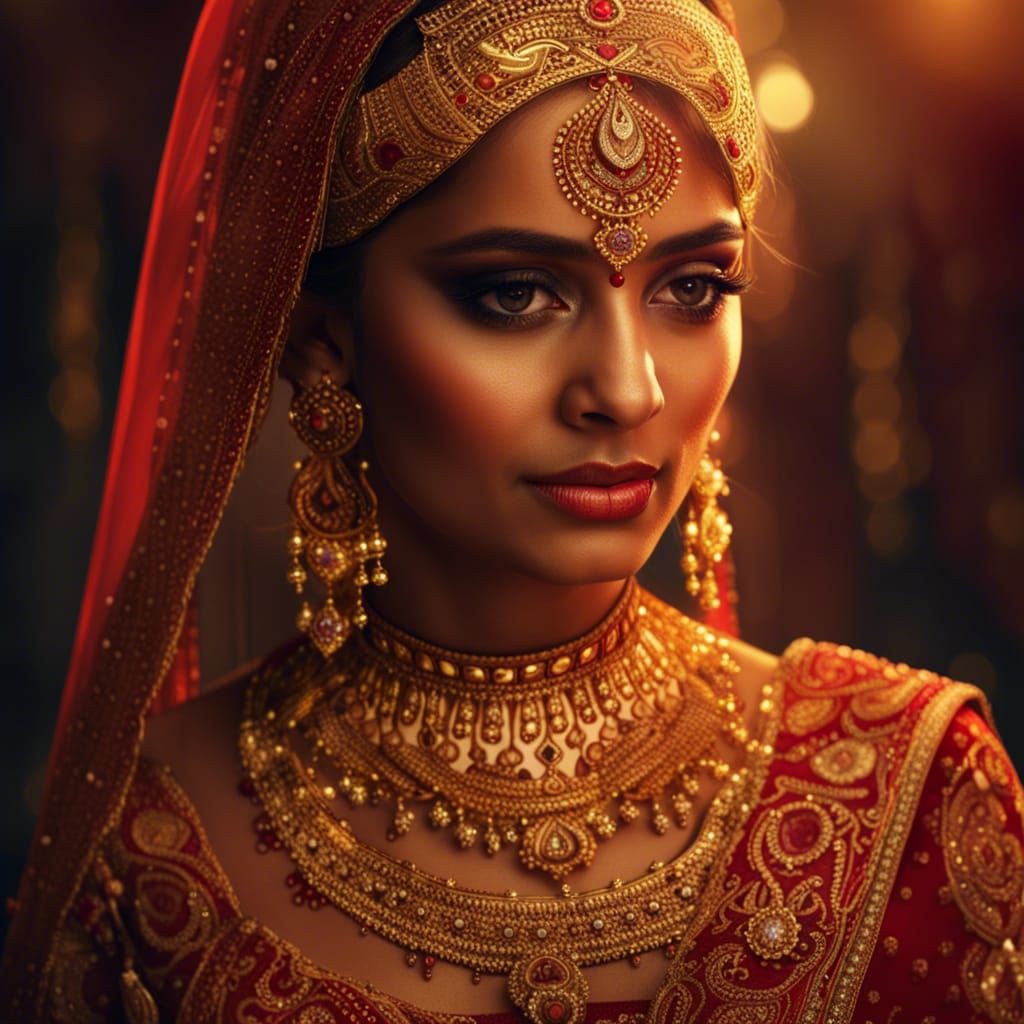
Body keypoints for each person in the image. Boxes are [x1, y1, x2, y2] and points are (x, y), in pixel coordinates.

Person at [3, 0, 1023, 1021]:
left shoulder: (911, 792)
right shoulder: (148, 849)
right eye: (516, 294)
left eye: (695, 287)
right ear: (323, 338)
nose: (626, 390)